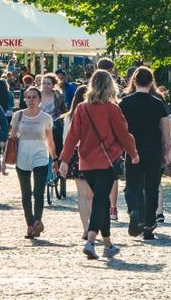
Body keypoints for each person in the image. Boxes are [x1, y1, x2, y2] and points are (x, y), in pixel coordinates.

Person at [58, 70, 138, 260]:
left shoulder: (81, 109)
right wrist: (133, 154)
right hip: (107, 161)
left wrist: (64, 160)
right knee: (100, 201)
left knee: (100, 201)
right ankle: (91, 241)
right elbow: (123, 134)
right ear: (110, 86)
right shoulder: (112, 109)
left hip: (86, 162)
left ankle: (108, 245)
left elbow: (72, 136)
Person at [119, 66, 169, 241]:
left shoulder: (125, 103)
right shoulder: (158, 103)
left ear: (134, 81)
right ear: (151, 82)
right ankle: (148, 224)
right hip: (153, 149)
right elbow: (165, 131)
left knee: (133, 185)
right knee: (152, 187)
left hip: (132, 148)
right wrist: (166, 152)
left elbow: (120, 129)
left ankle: (135, 210)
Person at [4, 85, 55, 239]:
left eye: (34, 97)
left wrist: (55, 159)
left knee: (38, 191)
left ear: (40, 100)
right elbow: (11, 139)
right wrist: (4, 161)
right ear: (24, 99)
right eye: (28, 97)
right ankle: (30, 224)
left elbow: (50, 141)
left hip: (40, 156)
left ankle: (37, 221)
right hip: (22, 157)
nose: (31, 100)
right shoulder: (18, 116)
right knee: (26, 193)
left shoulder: (46, 118)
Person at [62, 85, 92, 235]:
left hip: (75, 153)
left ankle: (86, 228)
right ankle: (93, 227)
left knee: (81, 194)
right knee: (91, 195)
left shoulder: (69, 116)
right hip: (91, 153)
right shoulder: (92, 113)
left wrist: (64, 159)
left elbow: (66, 139)